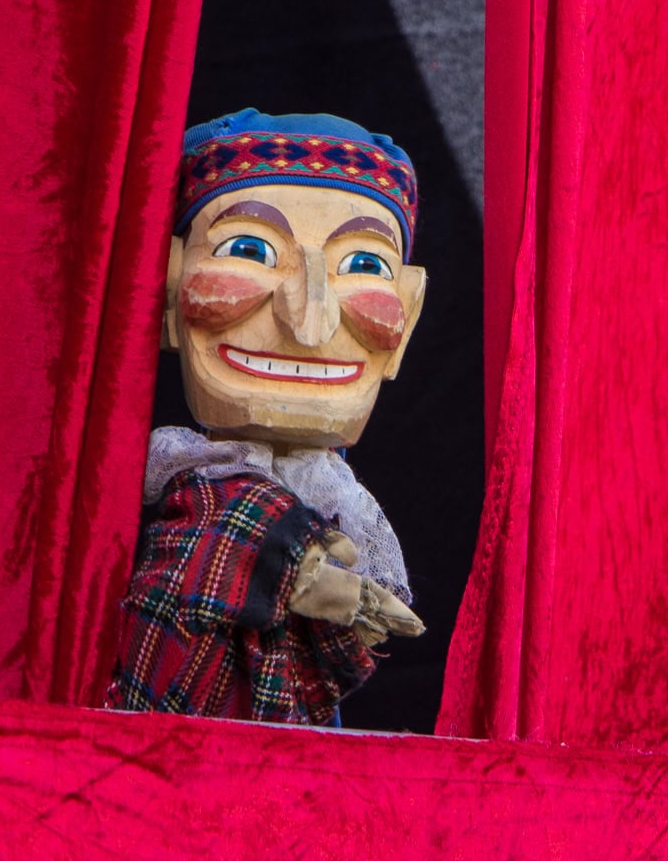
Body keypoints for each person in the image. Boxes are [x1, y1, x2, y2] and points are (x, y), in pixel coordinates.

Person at [106, 109, 427, 724]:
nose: (309, 322)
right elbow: (197, 558)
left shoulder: (338, 501)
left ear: (406, 319)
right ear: (170, 291)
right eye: (248, 250)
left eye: (365, 266)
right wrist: (292, 567)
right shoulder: (197, 490)